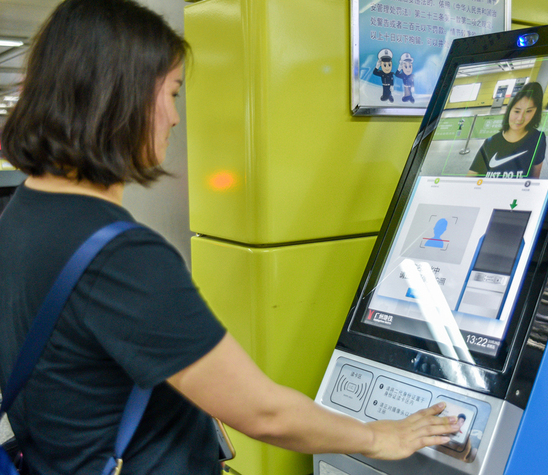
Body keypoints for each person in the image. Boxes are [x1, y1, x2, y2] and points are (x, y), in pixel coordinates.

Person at [0, 1, 460, 474]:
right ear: (122, 96)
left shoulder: (21, 216)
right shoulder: (120, 255)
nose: (174, 118)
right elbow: (265, 413)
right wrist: (378, 436)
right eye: (172, 93)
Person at [468, 82, 547, 179]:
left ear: (536, 112)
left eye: (528, 111)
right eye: (517, 111)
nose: (520, 118)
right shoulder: (491, 143)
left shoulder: (538, 139)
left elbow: (534, 179)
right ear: (510, 110)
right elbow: (471, 177)